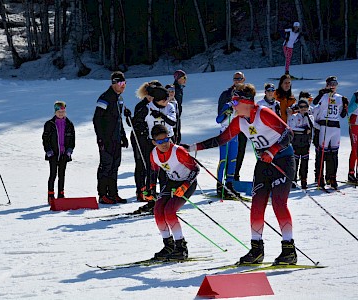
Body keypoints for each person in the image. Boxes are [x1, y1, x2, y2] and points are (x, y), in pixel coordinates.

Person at [184, 83, 297, 265]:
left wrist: (272, 151)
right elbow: (221, 139)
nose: (233, 105)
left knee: (278, 203)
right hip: (264, 163)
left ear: (247, 102)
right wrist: (192, 147)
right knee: (257, 205)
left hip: (283, 160)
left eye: (235, 101)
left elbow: (288, 134)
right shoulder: (239, 121)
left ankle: (289, 250)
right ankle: (256, 250)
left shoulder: (263, 113)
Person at [150, 124, 199, 260]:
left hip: (188, 182)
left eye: (166, 140)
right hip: (172, 182)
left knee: (169, 211)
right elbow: (153, 171)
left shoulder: (178, 151)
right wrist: (150, 188)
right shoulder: (154, 154)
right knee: (158, 210)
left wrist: (185, 185)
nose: (164, 144)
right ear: (154, 142)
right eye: (159, 141)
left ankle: (181, 247)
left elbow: (195, 169)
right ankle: (168, 245)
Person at [93, 71, 129, 204]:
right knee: (106, 166)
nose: (123, 86)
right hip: (106, 139)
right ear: (113, 83)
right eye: (120, 83)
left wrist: (123, 136)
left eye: (124, 83)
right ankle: (103, 195)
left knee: (115, 166)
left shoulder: (119, 99)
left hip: (116, 138)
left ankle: (113, 193)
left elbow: (119, 119)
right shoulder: (105, 98)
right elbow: (97, 119)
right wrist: (101, 139)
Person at [123, 80, 162, 202]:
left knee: (153, 165)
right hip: (140, 138)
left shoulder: (159, 106)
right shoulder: (142, 106)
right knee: (142, 165)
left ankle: (151, 190)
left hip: (152, 139)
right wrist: (129, 118)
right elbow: (134, 124)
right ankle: (141, 191)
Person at [312, 76, 348, 188]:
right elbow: (314, 102)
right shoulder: (323, 95)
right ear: (327, 85)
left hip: (335, 128)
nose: (333, 86)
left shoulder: (340, 97)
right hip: (325, 127)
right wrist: (322, 92)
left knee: (334, 154)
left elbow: (342, 115)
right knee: (322, 153)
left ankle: (332, 177)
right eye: (330, 84)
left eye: (335, 83)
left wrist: (345, 106)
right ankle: (320, 177)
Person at [42, 101, 75, 203]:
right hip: (53, 154)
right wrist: (49, 152)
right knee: (53, 174)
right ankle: (51, 195)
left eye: (63, 111)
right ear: (55, 112)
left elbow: (72, 140)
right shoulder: (49, 124)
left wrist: (69, 151)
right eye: (59, 112)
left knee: (62, 174)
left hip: (64, 154)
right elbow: (45, 139)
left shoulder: (69, 124)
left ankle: (61, 193)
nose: (61, 113)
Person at [218, 71, 248, 182]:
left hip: (243, 127)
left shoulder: (247, 93)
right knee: (225, 157)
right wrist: (227, 112)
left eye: (239, 79)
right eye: (235, 79)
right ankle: (222, 183)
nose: (237, 81)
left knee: (239, 153)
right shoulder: (226, 93)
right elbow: (219, 115)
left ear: (243, 79)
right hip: (229, 127)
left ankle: (234, 177)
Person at [287, 95, 314, 189]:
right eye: (301, 107)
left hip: (306, 141)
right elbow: (292, 127)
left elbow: (311, 126)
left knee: (305, 162)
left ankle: (304, 180)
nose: (303, 109)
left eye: (305, 107)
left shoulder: (310, 116)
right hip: (296, 141)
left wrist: (307, 118)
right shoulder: (294, 116)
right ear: (298, 108)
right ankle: (293, 179)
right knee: (295, 161)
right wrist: (304, 129)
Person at [173, 70, 187, 143]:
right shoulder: (175, 89)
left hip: (177, 115)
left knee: (178, 134)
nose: (185, 79)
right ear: (178, 78)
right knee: (176, 135)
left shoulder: (179, 88)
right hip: (174, 115)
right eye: (184, 77)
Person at [347, 91, 358, 183]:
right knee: (355, 149)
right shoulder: (356, 94)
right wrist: (356, 102)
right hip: (355, 124)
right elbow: (349, 109)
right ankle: (351, 173)